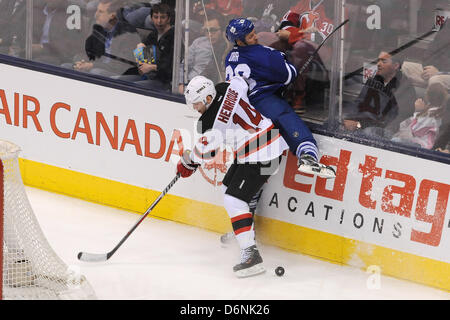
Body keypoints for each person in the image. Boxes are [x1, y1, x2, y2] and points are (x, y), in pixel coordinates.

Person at [176, 75, 335, 278]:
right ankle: (243, 234)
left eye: (197, 104)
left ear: (207, 98)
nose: (196, 109)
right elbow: (242, 80)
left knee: (233, 199)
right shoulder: (228, 87)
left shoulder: (211, 122)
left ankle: (250, 255)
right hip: (262, 144)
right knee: (228, 189)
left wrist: (185, 163)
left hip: (262, 154)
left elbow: (203, 154)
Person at [224, 18, 327, 173]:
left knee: (258, 151)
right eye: (251, 36)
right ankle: (308, 155)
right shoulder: (261, 53)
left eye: (254, 33)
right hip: (263, 101)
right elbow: (288, 75)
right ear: (239, 40)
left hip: (243, 109)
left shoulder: (229, 57)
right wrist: (291, 66)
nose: (256, 37)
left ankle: (253, 192)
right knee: (286, 118)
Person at [342, 50, 416, 138]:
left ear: (396, 66)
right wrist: (349, 118)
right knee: (334, 122)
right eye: (378, 60)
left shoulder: (405, 88)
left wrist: (359, 124)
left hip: (384, 129)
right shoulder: (375, 79)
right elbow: (359, 102)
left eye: (383, 61)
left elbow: (394, 120)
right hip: (362, 122)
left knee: (368, 133)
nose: (378, 64)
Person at [72, 0, 141, 77]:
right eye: (96, 11)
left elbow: (120, 66)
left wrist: (92, 65)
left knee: (96, 72)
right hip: (98, 68)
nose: (96, 15)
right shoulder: (98, 28)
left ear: (112, 15)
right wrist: (82, 62)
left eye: (100, 12)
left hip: (120, 74)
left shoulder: (128, 34)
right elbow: (87, 52)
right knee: (67, 66)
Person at [401, 4, 450, 92]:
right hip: (436, 70)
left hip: (445, 73)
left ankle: (432, 104)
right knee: (404, 68)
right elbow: (432, 49)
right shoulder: (448, 23)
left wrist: (438, 72)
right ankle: (405, 102)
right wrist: (428, 67)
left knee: (435, 81)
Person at [178, 10, 228, 93]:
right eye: (206, 31)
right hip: (190, 83)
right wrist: (180, 83)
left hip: (213, 89)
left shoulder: (227, 47)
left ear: (222, 30)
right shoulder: (198, 42)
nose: (209, 34)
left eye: (213, 30)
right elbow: (184, 65)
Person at [129, 3, 174, 91]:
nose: (159, 21)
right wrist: (142, 66)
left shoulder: (174, 36)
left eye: (163, 17)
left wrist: (151, 67)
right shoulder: (153, 34)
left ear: (169, 19)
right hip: (149, 76)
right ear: (151, 18)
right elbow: (143, 58)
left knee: (132, 89)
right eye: (156, 17)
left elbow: (171, 68)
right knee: (118, 81)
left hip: (164, 81)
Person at [391, 83, 448, 149]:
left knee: (395, 140)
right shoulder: (435, 111)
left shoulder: (433, 114)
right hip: (418, 142)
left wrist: (417, 111)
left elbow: (415, 130)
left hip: (422, 145)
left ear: (428, 95)